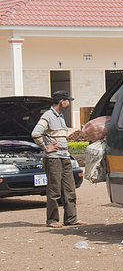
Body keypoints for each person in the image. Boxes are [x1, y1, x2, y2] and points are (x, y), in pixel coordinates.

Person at [31, 90, 87, 228]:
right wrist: (45, 147)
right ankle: (52, 220)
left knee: (70, 189)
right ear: (62, 101)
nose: (69, 102)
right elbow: (35, 133)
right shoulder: (48, 116)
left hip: (64, 156)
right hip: (53, 158)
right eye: (68, 100)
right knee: (54, 190)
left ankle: (71, 218)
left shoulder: (61, 116)